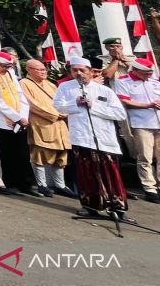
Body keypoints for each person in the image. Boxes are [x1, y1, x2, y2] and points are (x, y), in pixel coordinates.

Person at [54, 56, 130, 217]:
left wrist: (93, 106)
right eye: (75, 70)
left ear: (91, 72)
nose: (79, 73)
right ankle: (91, 206)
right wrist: (75, 103)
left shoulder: (104, 90)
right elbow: (58, 106)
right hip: (81, 137)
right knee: (86, 173)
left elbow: (120, 113)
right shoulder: (65, 87)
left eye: (82, 70)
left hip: (104, 139)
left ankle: (117, 208)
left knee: (110, 174)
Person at [115, 57, 160, 202]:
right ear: (136, 70)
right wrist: (148, 105)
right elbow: (125, 100)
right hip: (141, 122)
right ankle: (149, 188)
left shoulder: (154, 82)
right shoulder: (123, 81)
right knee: (145, 157)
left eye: (150, 71)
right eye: (146, 72)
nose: (149, 74)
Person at [0, 50, 37, 196]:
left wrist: (23, 116)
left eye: (9, 66)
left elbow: (20, 95)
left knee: (23, 152)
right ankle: (11, 183)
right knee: (8, 153)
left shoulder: (10, 74)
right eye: (5, 66)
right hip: (3, 120)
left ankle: (27, 184)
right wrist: (16, 117)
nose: (7, 69)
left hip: (20, 119)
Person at [20, 58, 73, 198]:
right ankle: (41, 184)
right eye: (39, 69)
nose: (43, 72)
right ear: (29, 70)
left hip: (60, 124)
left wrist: (66, 111)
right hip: (42, 122)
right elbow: (32, 104)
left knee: (61, 154)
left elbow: (61, 101)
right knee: (40, 154)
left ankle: (60, 185)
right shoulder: (24, 83)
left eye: (44, 69)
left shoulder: (50, 84)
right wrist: (55, 114)